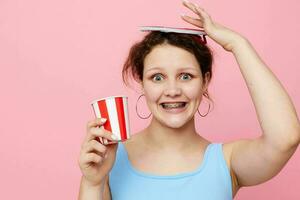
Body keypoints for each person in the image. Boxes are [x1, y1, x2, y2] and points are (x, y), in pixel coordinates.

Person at [78, 0, 300, 199]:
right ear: (142, 83)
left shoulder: (226, 162)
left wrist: (237, 43)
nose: (172, 90)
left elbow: (285, 138)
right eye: (157, 77)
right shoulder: (109, 160)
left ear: (205, 81)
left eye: (186, 76)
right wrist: (92, 182)